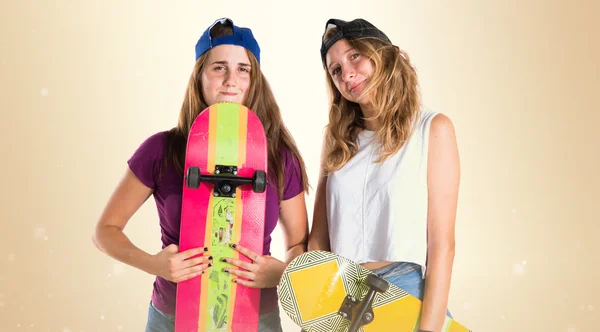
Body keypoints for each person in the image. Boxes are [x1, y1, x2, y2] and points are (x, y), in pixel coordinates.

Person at [92, 17, 310, 332]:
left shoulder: (280, 158)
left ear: (254, 80)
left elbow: (298, 242)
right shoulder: (161, 150)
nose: (231, 80)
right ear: (200, 77)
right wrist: (153, 264)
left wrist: (282, 272)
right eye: (218, 67)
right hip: (173, 317)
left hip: (255, 318)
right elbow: (105, 230)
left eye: (243, 69)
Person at [308, 18, 460, 332]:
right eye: (335, 70)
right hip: (341, 296)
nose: (346, 74)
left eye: (354, 57)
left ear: (382, 55)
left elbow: (441, 245)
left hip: (405, 294)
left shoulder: (432, 130)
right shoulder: (336, 141)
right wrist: (316, 319)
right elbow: (318, 241)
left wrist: (428, 330)